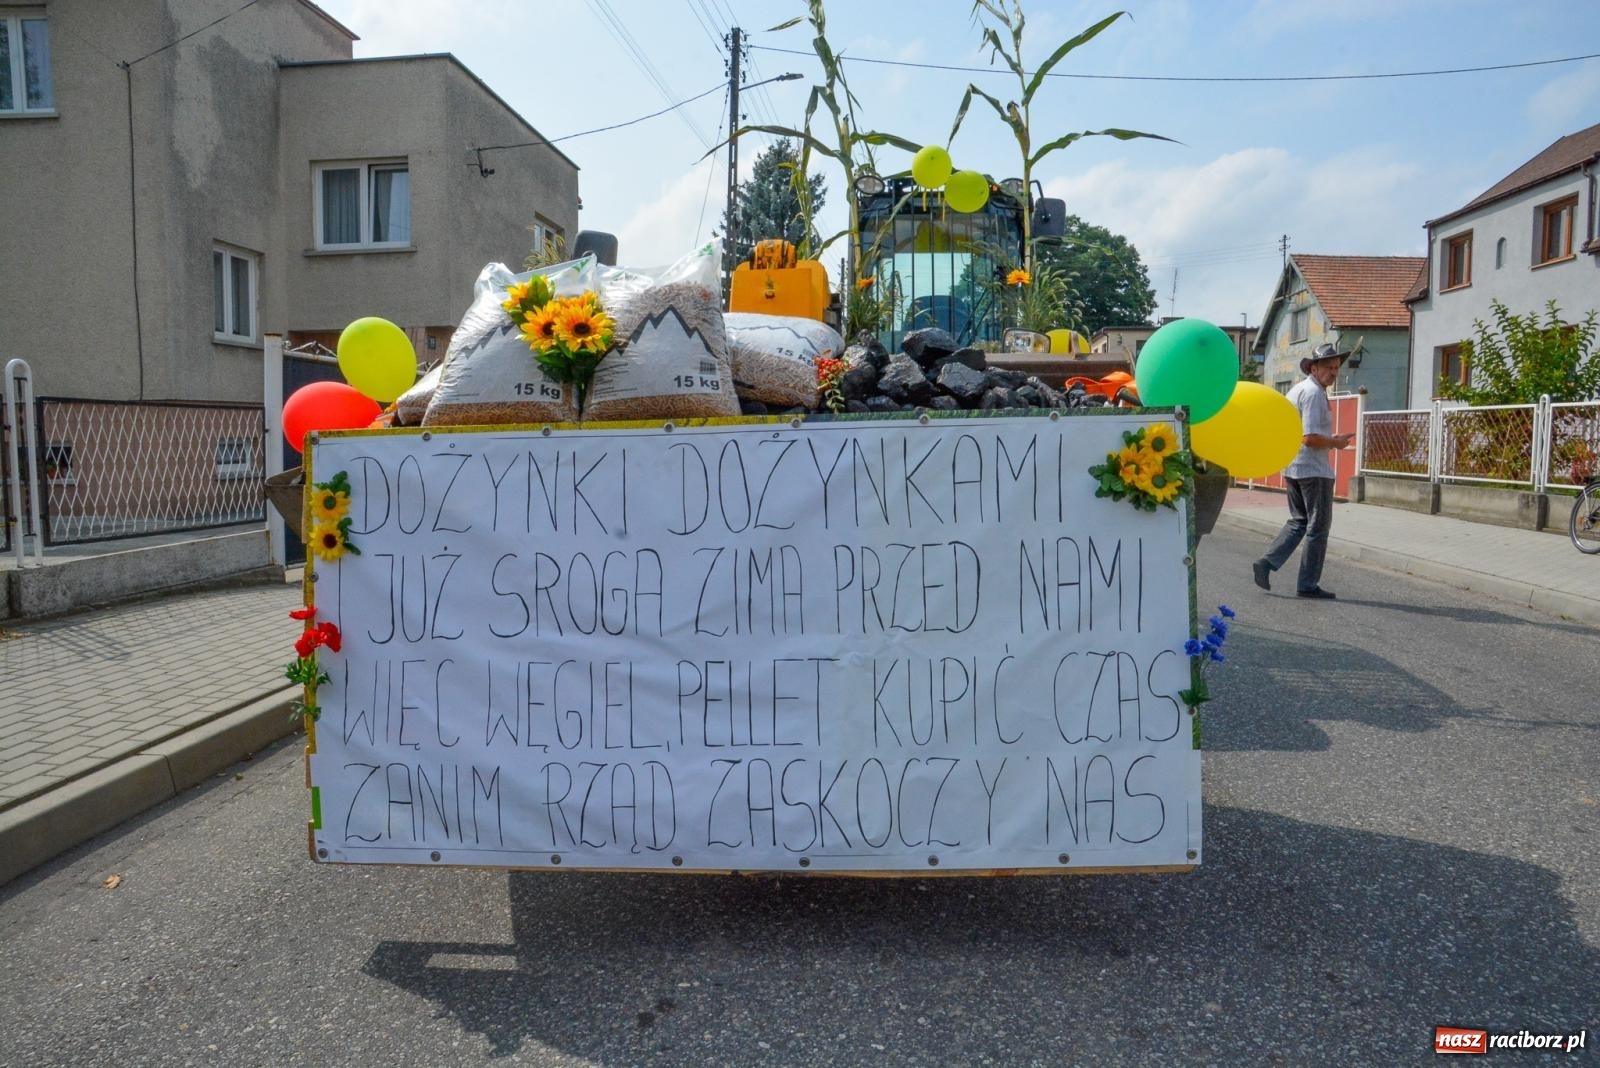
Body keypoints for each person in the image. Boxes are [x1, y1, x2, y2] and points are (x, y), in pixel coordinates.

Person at [1253, 343, 1353, 599]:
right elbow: (1309, 437)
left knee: (1299, 521)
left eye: (1336, 368)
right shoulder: (1313, 393)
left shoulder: (1298, 389)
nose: (1333, 373)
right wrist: (1336, 442)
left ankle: (1267, 562)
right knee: (1317, 528)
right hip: (1313, 470)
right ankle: (1307, 584)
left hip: (1294, 466)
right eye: (1328, 368)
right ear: (1313, 367)